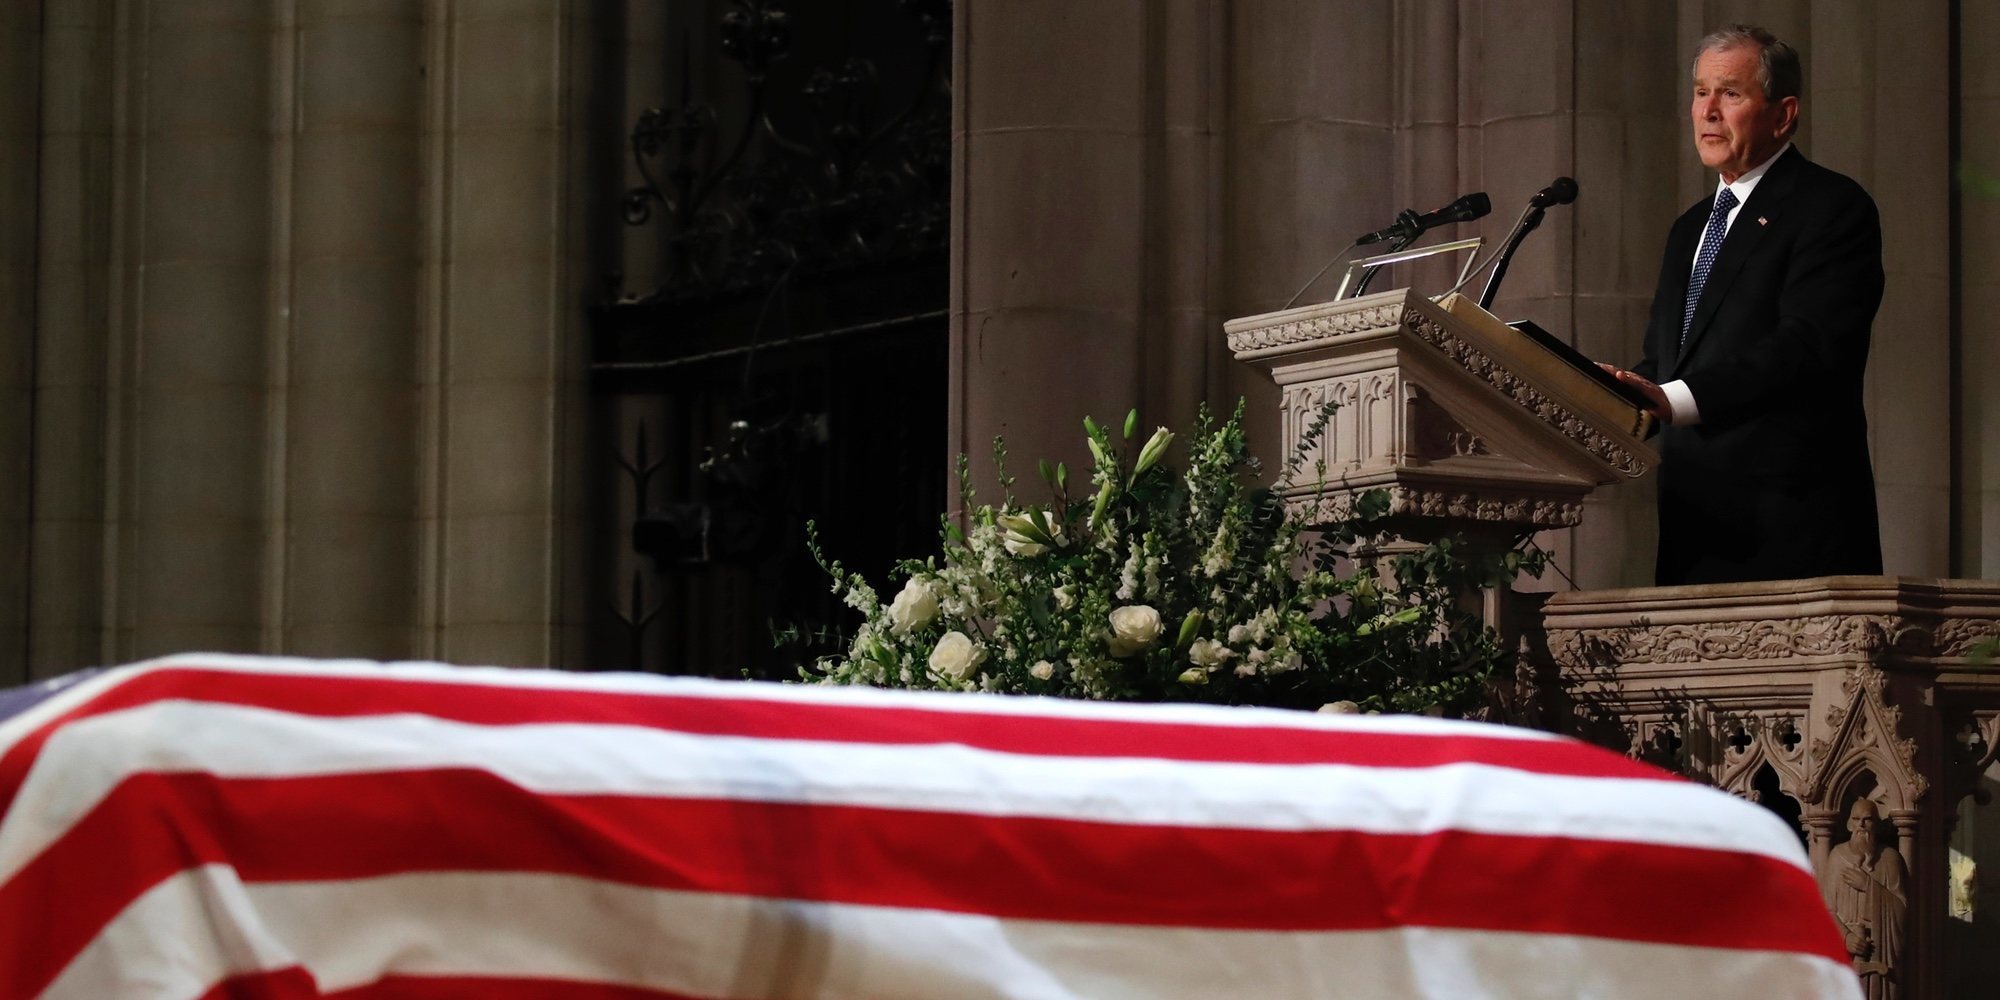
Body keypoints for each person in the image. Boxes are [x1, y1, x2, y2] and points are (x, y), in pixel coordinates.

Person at [1605, 25, 1883, 586]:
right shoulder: (1689, 229)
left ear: (1782, 115)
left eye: (1730, 93)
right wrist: (1593, 404)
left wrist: (1670, 398)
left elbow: (1808, 345)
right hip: (1694, 526)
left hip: (1789, 531)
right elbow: (1662, 366)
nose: (1708, 111)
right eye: (1701, 92)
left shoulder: (1830, 206)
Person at [1820, 798, 1907, 998]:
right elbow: (1826, 910)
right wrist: (1846, 937)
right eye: (1856, 819)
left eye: (1867, 820)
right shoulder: (1837, 857)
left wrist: (1868, 887)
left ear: (1876, 824)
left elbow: (1901, 907)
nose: (1861, 825)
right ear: (1849, 824)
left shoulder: (1889, 859)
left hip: (1878, 951)